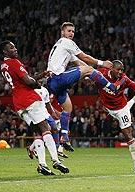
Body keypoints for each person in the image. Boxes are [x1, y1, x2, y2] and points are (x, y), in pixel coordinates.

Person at [47, 22, 121, 152]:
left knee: (68, 108)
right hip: (57, 78)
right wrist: (101, 63)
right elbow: (84, 57)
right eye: (69, 31)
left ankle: (64, 136)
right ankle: (112, 87)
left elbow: (79, 62)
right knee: (90, 70)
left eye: (73, 31)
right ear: (62, 33)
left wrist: (91, 73)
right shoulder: (66, 42)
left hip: (53, 83)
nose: (71, 33)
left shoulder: (62, 47)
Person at [0, 40, 69, 175]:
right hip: (29, 99)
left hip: (18, 104)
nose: (15, 49)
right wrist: (38, 85)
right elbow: (28, 82)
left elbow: (23, 81)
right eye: (12, 48)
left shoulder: (4, 66)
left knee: (37, 132)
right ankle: (55, 160)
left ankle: (42, 164)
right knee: (46, 129)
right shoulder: (15, 62)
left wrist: (40, 76)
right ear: (5, 52)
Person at [97, 59, 135, 173]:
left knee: (128, 135)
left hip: (121, 109)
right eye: (118, 69)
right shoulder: (102, 73)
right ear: (111, 68)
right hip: (107, 108)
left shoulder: (124, 79)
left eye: (122, 70)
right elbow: (90, 75)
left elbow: (134, 85)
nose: (121, 72)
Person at [27, 86, 69, 159]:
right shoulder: (33, 90)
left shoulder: (46, 90)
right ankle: (32, 148)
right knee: (45, 132)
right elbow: (48, 104)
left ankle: (56, 151)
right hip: (39, 114)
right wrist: (55, 112)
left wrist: (53, 113)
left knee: (54, 129)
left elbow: (48, 104)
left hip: (47, 113)